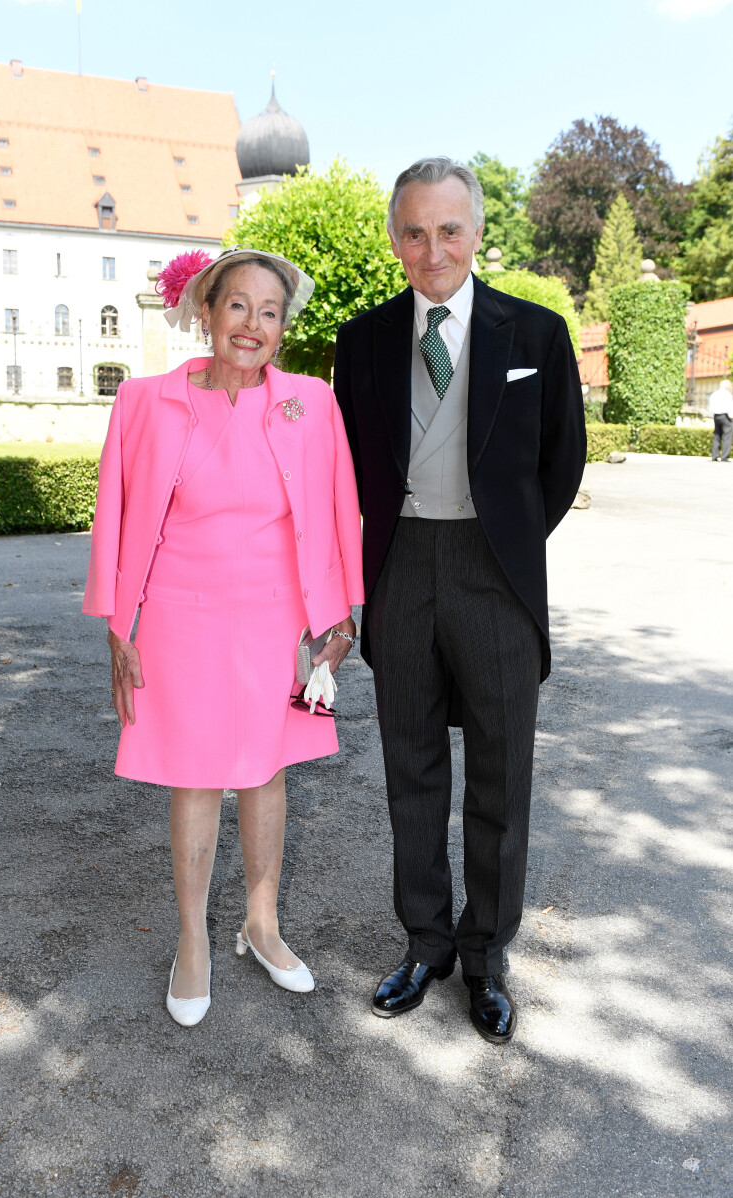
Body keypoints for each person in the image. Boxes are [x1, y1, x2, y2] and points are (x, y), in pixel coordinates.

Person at [333, 157, 586, 1043]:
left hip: (495, 574)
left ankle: (486, 956)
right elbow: (353, 471)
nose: (431, 248)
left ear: (477, 232)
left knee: (501, 778)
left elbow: (562, 463)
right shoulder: (360, 342)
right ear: (396, 238)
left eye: (448, 229)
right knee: (411, 770)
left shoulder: (539, 335)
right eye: (413, 231)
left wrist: (505, 542)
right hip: (401, 568)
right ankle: (426, 942)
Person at [83, 247, 363, 1027]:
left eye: (269, 312)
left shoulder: (313, 402)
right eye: (237, 306)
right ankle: (192, 940)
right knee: (197, 774)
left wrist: (340, 622)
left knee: (270, 769)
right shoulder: (143, 401)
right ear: (205, 312)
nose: (252, 324)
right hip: (178, 616)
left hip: (278, 615)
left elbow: (341, 513)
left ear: (283, 328)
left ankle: (262, 924)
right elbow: (115, 512)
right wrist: (118, 624)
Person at [708, 378, 733, 462]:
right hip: (725, 416)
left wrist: (713, 416)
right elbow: (730, 407)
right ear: (727, 386)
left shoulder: (714, 394)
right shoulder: (727, 394)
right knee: (727, 436)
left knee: (717, 435)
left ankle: (714, 456)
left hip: (716, 416)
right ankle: (724, 456)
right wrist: (731, 417)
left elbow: (710, 407)